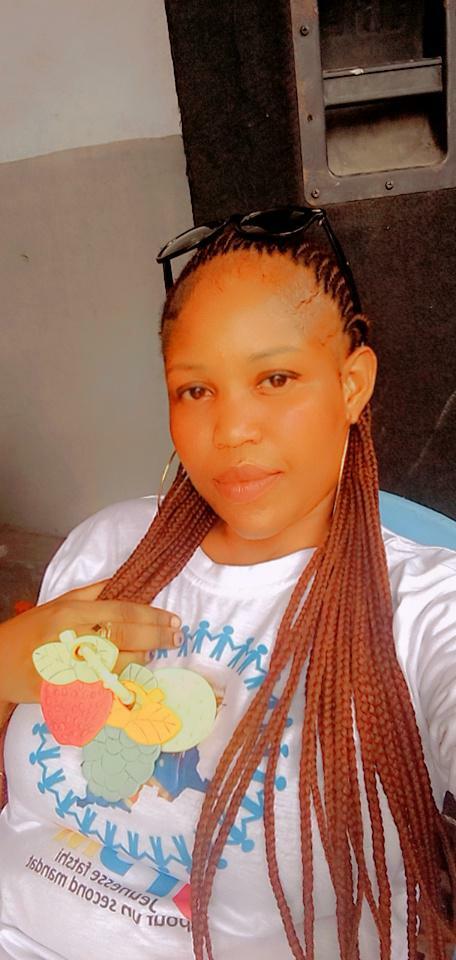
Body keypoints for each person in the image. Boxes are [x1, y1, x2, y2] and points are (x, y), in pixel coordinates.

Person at [0, 208, 455, 960]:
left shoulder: (416, 606)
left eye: (275, 378)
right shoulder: (108, 546)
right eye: (196, 390)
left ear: (352, 384)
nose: (232, 428)